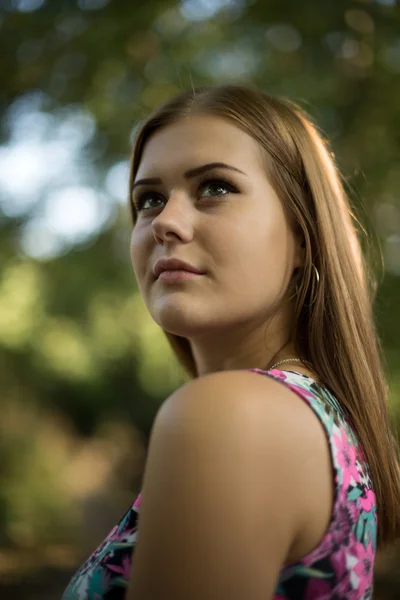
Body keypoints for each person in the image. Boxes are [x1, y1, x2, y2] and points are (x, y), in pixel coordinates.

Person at [62, 84, 400, 600]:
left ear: (303, 236)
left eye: (215, 187)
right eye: (149, 199)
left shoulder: (229, 415)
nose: (166, 223)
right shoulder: (318, 422)